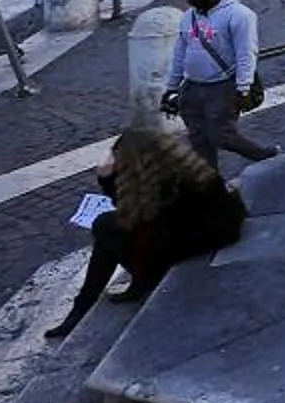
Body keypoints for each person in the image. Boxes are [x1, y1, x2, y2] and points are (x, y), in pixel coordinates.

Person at [42, 127, 247, 339]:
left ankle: (93, 303)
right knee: (107, 233)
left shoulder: (162, 184)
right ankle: (87, 304)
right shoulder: (177, 167)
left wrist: (105, 178)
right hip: (209, 228)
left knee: (104, 227)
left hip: (202, 236)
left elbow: (132, 215)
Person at [167, 0, 276, 166]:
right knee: (198, 139)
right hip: (192, 87)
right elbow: (180, 52)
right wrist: (171, 87)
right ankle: (210, 183)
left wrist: (242, 88)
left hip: (222, 86)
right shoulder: (188, 17)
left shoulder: (240, 15)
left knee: (221, 136)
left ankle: (262, 155)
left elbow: (246, 53)